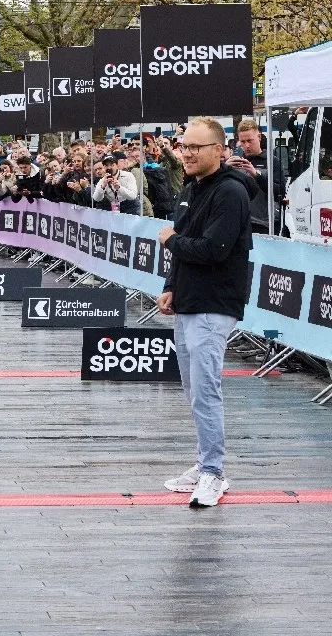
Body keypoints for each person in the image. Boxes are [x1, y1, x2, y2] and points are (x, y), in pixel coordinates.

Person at [155, 116, 253, 508]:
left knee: (206, 390)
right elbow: (188, 239)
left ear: (219, 150)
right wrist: (170, 286)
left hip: (216, 302)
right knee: (194, 390)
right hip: (189, 300)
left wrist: (171, 241)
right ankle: (204, 463)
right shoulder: (192, 187)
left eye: (196, 147)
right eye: (184, 146)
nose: (187, 153)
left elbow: (213, 250)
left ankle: (213, 472)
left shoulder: (231, 193)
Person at [229, 120, 284, 234]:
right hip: (240, 223)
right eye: (243, 142)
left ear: (259, 137)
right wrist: (224, 170)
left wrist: (256, 174)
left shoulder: (272, 161)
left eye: (250, 141)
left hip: (264, 224)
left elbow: (280, 192)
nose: (247, 145)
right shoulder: (235, 162)